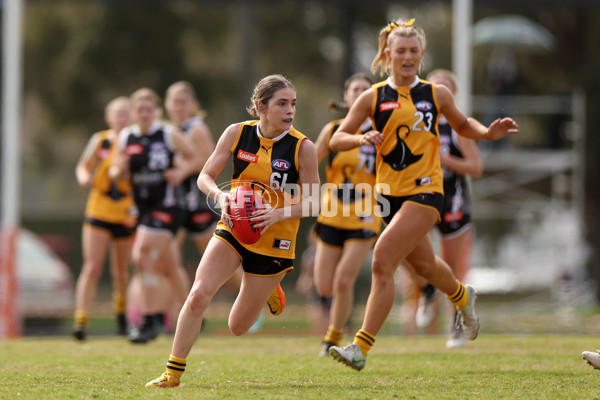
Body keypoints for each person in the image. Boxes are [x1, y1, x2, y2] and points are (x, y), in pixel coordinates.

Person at [328, 18, 518, 371]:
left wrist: (488, 134)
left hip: (428, 191)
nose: (408, 57)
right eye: (401, 51)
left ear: (422, 55)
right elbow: (337, 138)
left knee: (382, 259)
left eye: (414, 51)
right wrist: (360, 138)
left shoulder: (436, 94)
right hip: (390, 198)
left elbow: (464, 126)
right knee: (426, 266)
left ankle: (360, 347)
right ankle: (463, 296)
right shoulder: (373, 97)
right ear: (388, 54)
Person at [145, 74, 320, 388]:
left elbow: (316, 202)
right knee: (198, 294)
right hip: (234, 227)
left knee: (237, 326)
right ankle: (173, 372)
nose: (289, 110)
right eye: (282, 104)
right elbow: (205, 176)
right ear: (260, 107)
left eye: (292, 104)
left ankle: (269, 289)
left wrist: (276, 213)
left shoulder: (302, 147)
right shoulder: (237, 133)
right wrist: (222, 196)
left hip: (275, 241)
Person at [110, 87, 201, 343]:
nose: (144, 113)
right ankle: (192, 315)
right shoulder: (126, 136)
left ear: (157, 111)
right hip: (144, 209)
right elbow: (116, 170)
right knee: (169, 267)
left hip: (170, 206)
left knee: (141, 255)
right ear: (133, 112)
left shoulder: (168, 133)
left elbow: (197, 157)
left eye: (149, 109)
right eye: (139, 109)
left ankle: (149, 321)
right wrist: (120, 172)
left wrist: (181, 173)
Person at [407, 68, 483, 348]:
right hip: (421, 197)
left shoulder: (459, 126)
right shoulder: (415, 121)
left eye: (445, 89)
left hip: (453, 200)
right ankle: (427, 291)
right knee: (409, 254)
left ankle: (457, 327)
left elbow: (475, 168)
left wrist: (446, 160)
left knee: (452, 268)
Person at [312, 73, 381, 356]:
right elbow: (308, 161)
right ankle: (336, 325)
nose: (361, 93)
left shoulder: (382, 130)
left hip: (367, 210)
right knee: (323, 284)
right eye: (356, 89)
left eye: (367, 90)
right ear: (347, 95)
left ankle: (333, 337)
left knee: (343, 279)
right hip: (332, 210)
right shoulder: (333, 130)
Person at [72, 97, 137, 340]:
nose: (122, 117)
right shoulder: (100, 140)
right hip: (99, 210)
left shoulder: (135, 143)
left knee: (121, 271)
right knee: (92, 267)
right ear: (109, 118)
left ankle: (122, 316)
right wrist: (83, 177)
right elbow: (83, 165)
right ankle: (81, 321)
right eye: (117, 113)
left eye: (126, 113)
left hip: (125, 212)